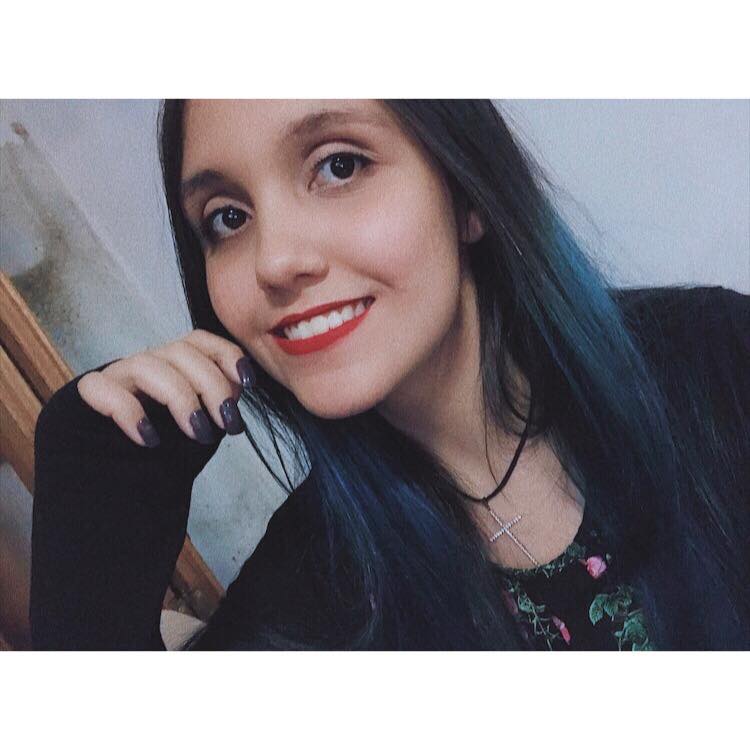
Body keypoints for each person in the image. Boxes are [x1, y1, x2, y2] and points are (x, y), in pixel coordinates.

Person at [30, 100, 750, 650]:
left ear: (465, 189)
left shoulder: (717, 361)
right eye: (227, 218)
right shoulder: (308, 596)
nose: (274, 261)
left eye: (339, 166)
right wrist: (90, 575)